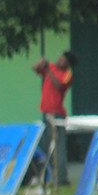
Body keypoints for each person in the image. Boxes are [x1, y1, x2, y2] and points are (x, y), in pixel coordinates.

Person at [33, 51, 78, 185]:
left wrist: (47, 70)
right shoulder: (51, 67)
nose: (59, 61)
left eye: (63, 60)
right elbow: (35, 69)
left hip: (57, 113)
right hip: (46, 112)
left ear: (68, 64)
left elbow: (58, 85)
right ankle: (47, 176)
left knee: (59, 147)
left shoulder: (67, 75)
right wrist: (40, 64)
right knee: (45, 146)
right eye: (60, 58)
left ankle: (62, 178)